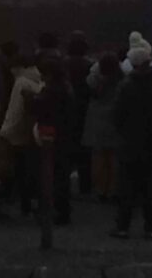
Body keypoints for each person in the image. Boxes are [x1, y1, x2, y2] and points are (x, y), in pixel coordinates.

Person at [110, 47, 152, 240]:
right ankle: (151, 228)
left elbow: (116, 115)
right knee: (151, 187)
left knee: (126, 187)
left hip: (129, 141)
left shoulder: (125, 86)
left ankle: (123, 226)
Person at [0, 54, 43, 215]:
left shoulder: (21, 82)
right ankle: (30, 200)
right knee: (31, 169)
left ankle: (22, 202)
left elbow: (15, 110)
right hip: (33, 133)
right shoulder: (38, 81)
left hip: (17, 134)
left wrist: (5, 130)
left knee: (18, 169)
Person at [33, 57, 75, 225]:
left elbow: (42, 109)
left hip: (51, 136)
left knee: (52, 175)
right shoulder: (66, 87)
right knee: (61, 176)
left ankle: (54, 211)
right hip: (65, 135)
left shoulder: (52, 91)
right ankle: (62, 210)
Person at [82, 53, 123, 202]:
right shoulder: (122, 79)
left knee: (99, 158)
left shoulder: (94, 79)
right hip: (114, 120)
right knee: (114, 159)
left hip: (97, 121)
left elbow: (89, 90)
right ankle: (113, 189)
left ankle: (101, 189)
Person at [65, 32, 93, 196]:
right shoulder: (89, 65)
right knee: (84, 151)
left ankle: (64, 185)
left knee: (66, 149)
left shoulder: (63, 64)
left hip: (66, 108)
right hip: (84, 108)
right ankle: (85, 186)